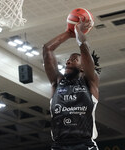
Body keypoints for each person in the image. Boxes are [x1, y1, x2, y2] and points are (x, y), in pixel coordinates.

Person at [43, 18, 100, 150]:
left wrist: (78, 31)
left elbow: (84, 49)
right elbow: (47, 49)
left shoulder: (90, 81)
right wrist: (68, 33)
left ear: (83, 67)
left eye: (74, 59)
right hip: (59, 145)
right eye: (68, 60)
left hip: (85, 145)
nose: (68, 62)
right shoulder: (57, 82)